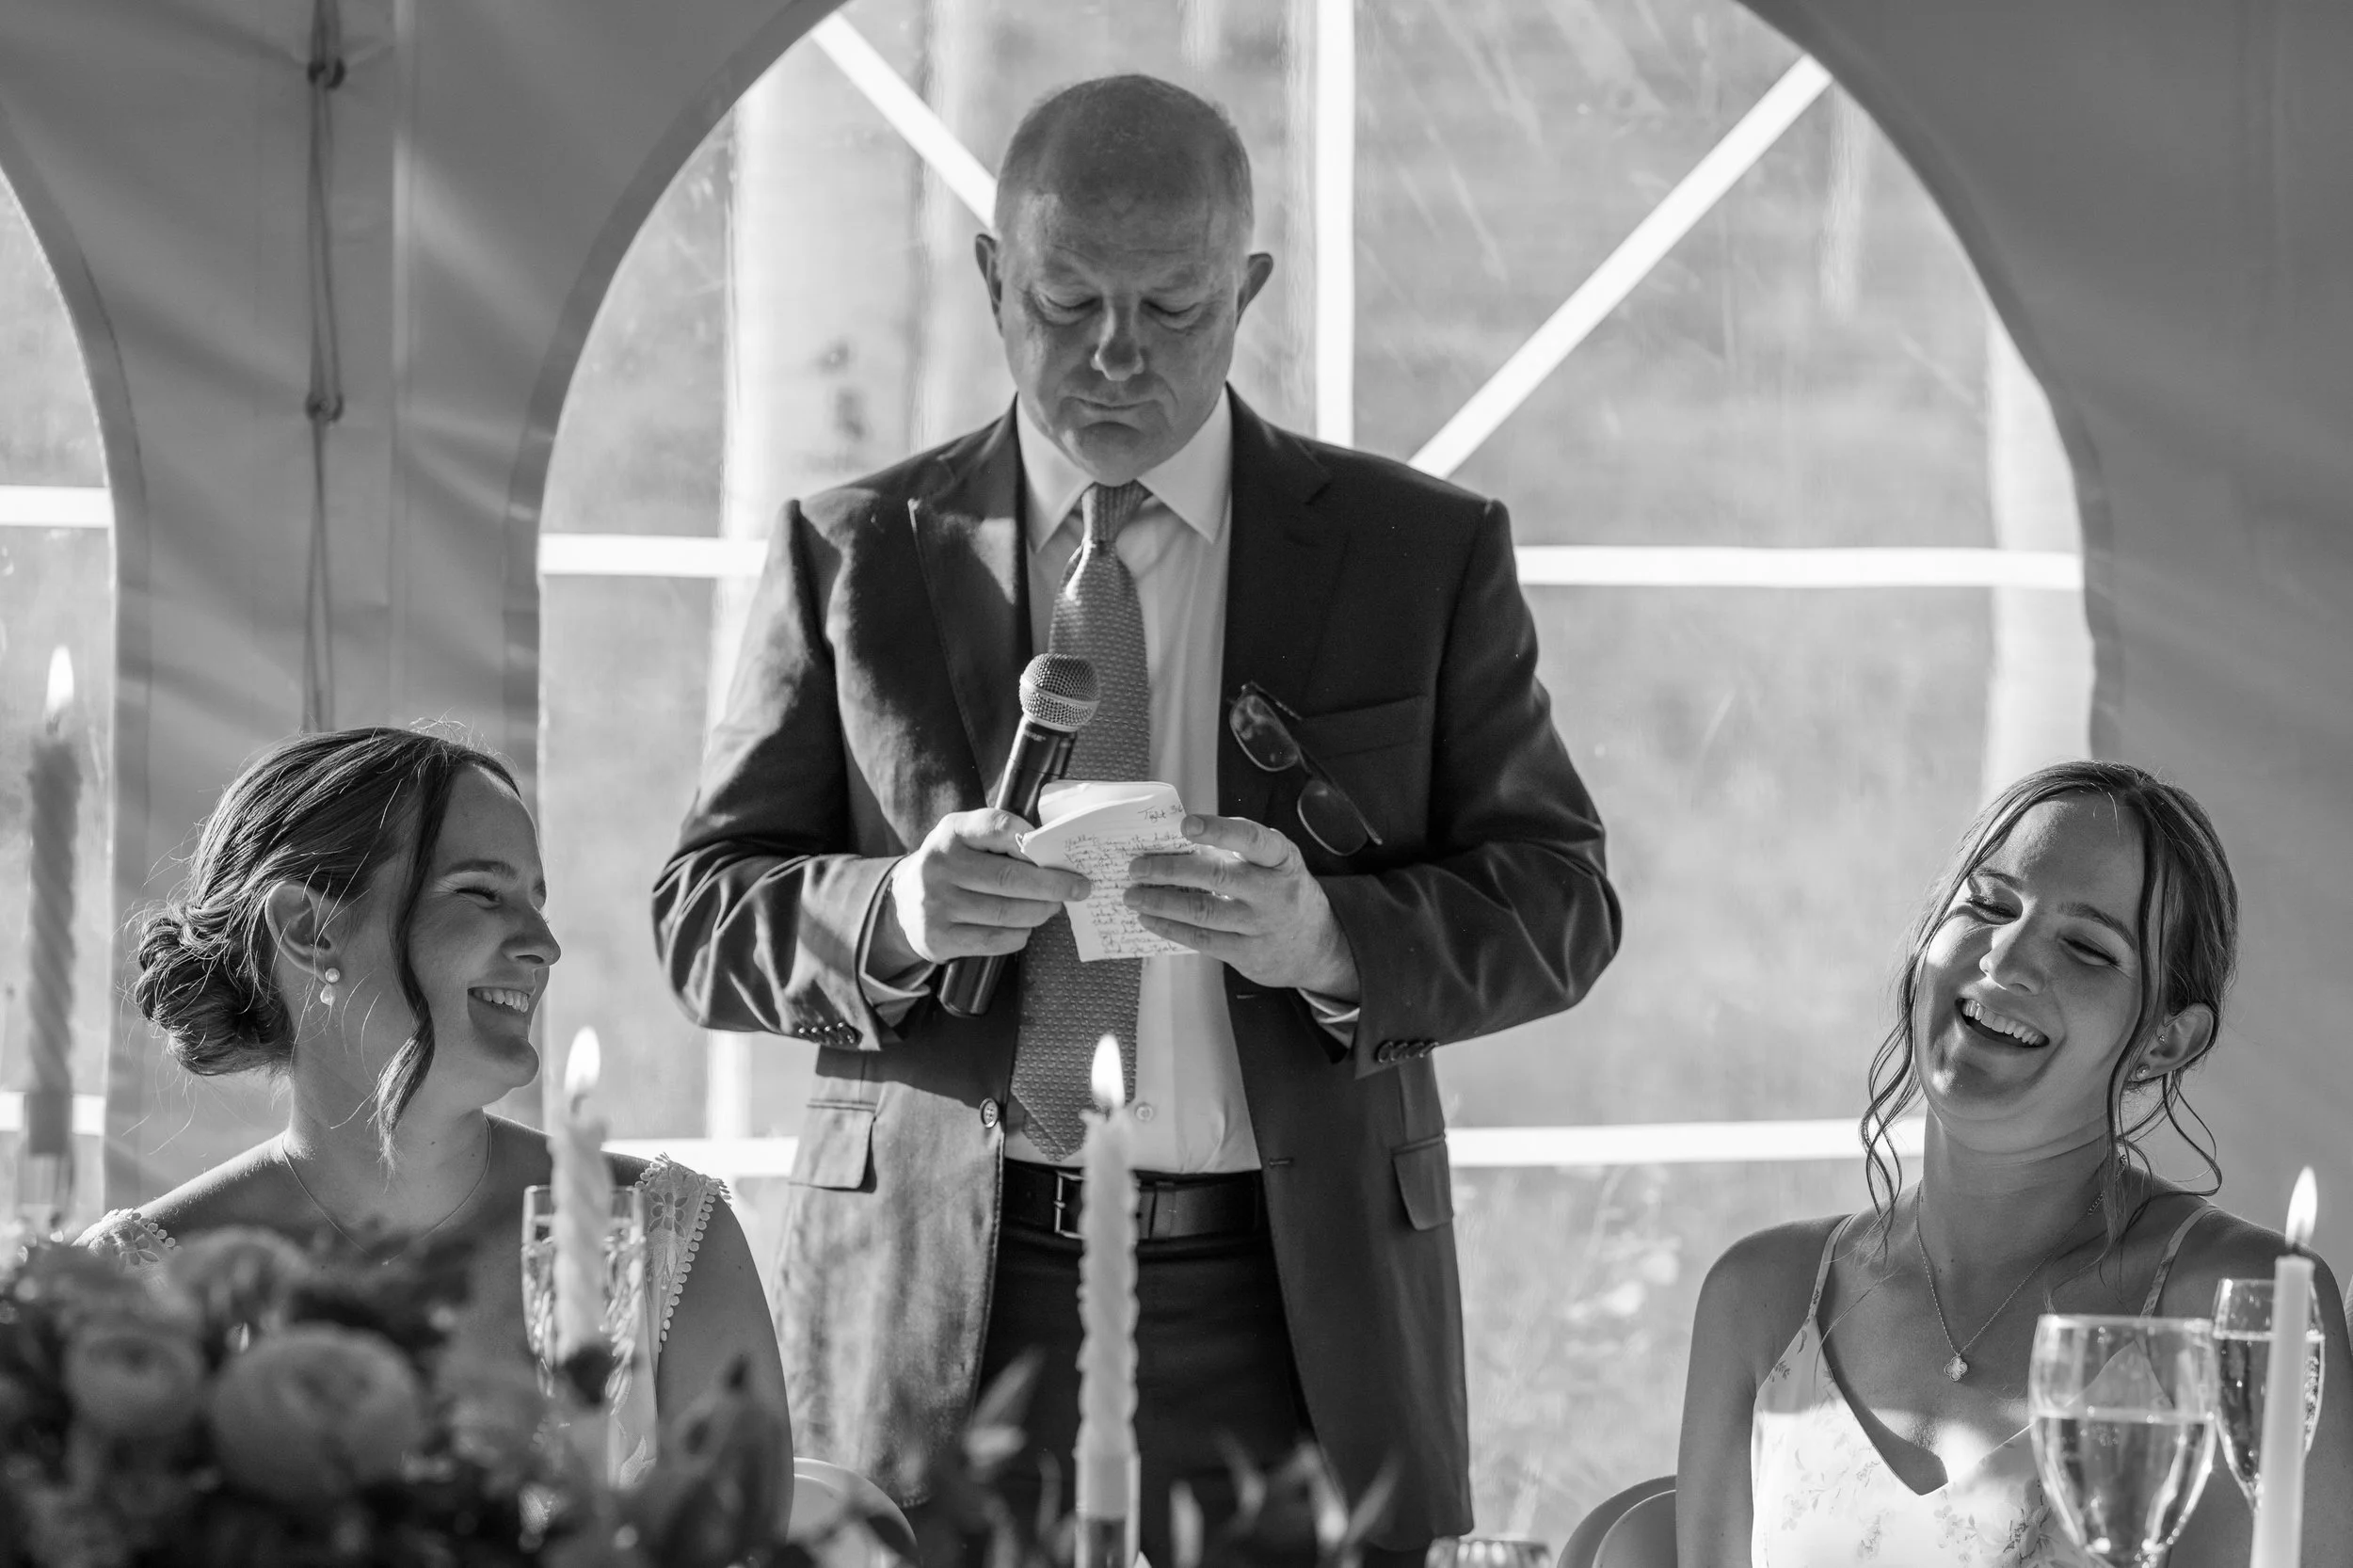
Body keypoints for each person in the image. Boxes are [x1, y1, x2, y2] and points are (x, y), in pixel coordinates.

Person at [656, 72, 1619, 1565]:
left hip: (1296, 1301)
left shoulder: (1418, 553)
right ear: (993, 279)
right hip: (943, 1297)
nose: (1117, 356)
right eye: (1066, 302)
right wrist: (894, 916)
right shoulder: (851, 554)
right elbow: (702, 909)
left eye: (1173, 310)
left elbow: (1563, 899)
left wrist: (1329, 934)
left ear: (1249, 288)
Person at [1678, 760, 2353, 1566]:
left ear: (2165, 1040)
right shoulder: (1760, 1298)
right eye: (1989, 904)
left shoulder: (2244, 1308)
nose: (2006, 957)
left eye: (2085, 947)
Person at [80, 727, 788, 1472]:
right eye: (481, 892)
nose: (543, 944)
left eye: (536, 901)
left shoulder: (669, 1238)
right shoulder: (135, 1293)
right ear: (309, 928)